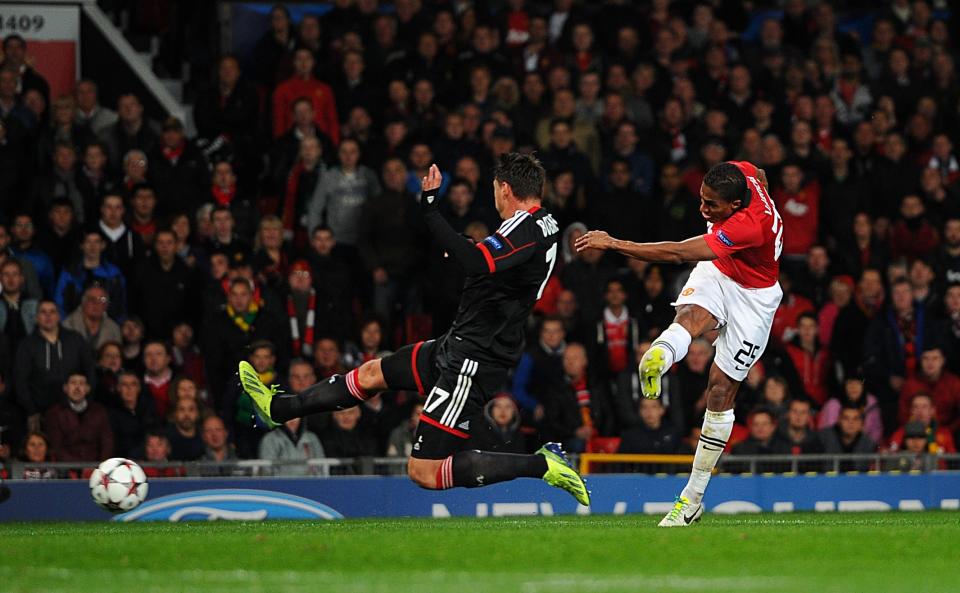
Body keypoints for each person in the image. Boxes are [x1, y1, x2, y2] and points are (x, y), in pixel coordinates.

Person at [240, 153, 589, 505]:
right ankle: (278, 409)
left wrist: (431, 209)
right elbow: (504, 268)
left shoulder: (523, 224)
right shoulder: (547, 223)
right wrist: (468, 246)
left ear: (505, 188)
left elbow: (478, 262)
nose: (494, 197)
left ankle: (541, 463)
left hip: (474, 358)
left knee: (423, 471)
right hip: (462, 343)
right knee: (373, 372)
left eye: (495, 190)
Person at [576, 160, 783, 525]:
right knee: (689, 316)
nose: (702, 209)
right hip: (722, 271)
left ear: (735, 205)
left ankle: (692, 499)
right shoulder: (742, 171)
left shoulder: (748, 226)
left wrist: (613, 243)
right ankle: (660, 354)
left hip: (756, 297)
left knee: (719, 392)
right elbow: (761, 175)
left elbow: (676, 253)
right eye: (701, 198)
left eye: (711, 205)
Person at [15, 301, 95, 431]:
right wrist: (31, 410)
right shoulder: (27, 345)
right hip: (41, 412)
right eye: (43, 312)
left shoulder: (75, 339)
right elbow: (21, 380)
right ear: (36, 318)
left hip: (76, 410)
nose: (48, 316)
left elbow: (90, 370)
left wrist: (87, 401)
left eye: (52, 312)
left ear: (59, 316)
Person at [44, 373, 113, 462]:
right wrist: (77, 467)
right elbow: (56, 447)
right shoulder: (54, 413)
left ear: (87, 389)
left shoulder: (99, 411)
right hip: (66, 468)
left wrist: (101, 467)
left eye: (81, 383)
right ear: (65, 388)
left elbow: (107, 442)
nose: (77, 387)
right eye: (73, 383)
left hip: (95, 466)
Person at [258, 415, 325, 477]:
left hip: (309, 485)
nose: (292, 420)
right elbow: (267, 470)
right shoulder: (270, 439)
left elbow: (321, 466)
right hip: (280, 486)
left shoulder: (312, 438)